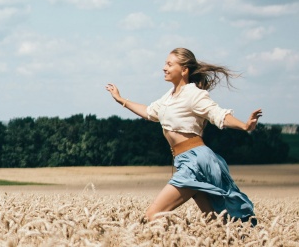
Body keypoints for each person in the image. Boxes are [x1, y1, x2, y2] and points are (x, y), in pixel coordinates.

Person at [105, 47, 262, 225]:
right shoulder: (168, 97)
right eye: (165, 63)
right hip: (185, 160)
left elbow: (217, 114)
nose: (164, 67)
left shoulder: (193, 94)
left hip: (196, 162)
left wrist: (244, 125)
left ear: (184, 70)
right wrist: (121, 100)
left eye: (170, 64)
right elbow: (149, 112)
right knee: (216, 224)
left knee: (151, 216)